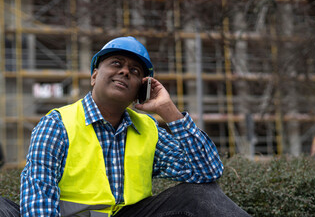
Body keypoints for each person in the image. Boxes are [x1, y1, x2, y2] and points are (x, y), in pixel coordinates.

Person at [1, 36, 251, 216]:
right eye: (116, 64)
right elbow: (39, 197)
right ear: (94, 75)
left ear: (141, 89)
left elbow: (207, 172)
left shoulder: (148, 129)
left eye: (134, 70)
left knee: (199, 195)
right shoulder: (57, 124)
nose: (125, 72)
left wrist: (169, 111)